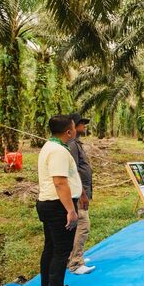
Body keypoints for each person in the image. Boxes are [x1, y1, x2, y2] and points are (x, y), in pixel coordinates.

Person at [36, 115, 81, 286]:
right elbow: (60, 182)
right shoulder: (59, 152)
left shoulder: (50, 146)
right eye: (74, 127)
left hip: (48, 204)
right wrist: (71, 210)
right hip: (58, 206)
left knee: (51, 248)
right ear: (69, 131)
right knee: (61, 251)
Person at [67, 113, 95, 275]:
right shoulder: (71, 145)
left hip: (81, 190)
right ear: (73, 127)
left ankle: (73, 257)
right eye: (81, 124)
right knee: (83, 225)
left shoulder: (76, 143)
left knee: (76, 226)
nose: (84, 126)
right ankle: (76, 263)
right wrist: (82, 193)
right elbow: (73, 171)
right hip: (78, 192)